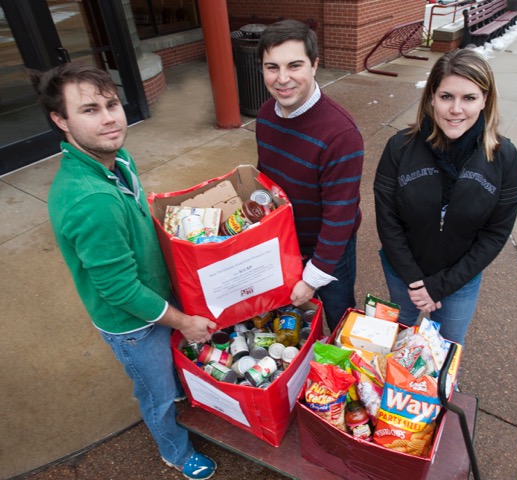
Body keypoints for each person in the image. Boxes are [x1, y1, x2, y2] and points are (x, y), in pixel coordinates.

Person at [31, 62, 217, 479]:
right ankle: (175, 450)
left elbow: (135, 217)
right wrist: (183, 321)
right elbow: (119, 289)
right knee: (157, 393)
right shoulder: (90, 199)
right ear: (60, 120)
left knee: (176, 371)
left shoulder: (116, 159)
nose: (110, 118)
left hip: (155, 296)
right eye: (90, 110)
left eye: (111, 104)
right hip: (131, 324)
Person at [373, 49, 517, 346]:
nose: (456, 109)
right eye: (446, 97)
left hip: (460, 281)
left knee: (446, 352)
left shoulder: (503, 157)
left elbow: (495, 234)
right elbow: (387, 218)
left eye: (469, 98)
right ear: (431, 98)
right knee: (395, 344)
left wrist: (441, 286)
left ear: (485, 100)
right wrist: (416, 282)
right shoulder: (400, 148)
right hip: (404, 273)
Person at [255, 19, 364, 332]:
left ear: (315, 65)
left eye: (295, 65)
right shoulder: (265, 115)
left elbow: (339, 217)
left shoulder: (341, 133)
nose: (283, 78)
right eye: (272, 67)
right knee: (291, 320)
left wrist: (313, 277)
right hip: (283, 241)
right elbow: (267, 178)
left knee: (339, 313)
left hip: (328, 246)